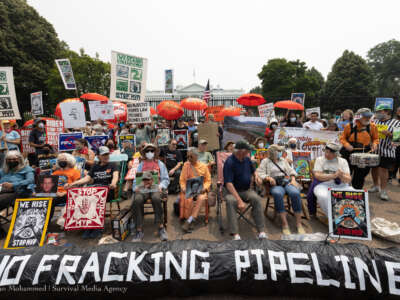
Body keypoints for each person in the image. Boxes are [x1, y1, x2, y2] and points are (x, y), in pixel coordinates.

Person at [67, 146, 119, 238]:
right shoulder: (95, 166)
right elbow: (87, 178)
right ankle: (88, 227)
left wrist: (113, 183)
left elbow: (115, 176)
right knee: (83, 199)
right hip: (95, 191)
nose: (106, 156)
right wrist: (74, 183)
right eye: (103, 155)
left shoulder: (113, 165)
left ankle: (97, 228)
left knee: (93, 199)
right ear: (98, 156)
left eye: (107, 154)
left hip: (108, 190)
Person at [223, 140, 267, 240]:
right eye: (248, 151)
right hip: (232, 191)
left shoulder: (247, 159)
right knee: (231, 201)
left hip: (246, 190)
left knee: (256, 199)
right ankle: (235, 233)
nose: (249, 152)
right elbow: (228, 184)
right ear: (241, 151)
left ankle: (261, 231)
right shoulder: (230, 162)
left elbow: (254, 170)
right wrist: (239, 201)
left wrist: (256, 176)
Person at [256, 144, 304, 235]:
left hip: (286, 181)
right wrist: (268, 178)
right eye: (278, 151)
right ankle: (284, 223)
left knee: (295, 193)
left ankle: (299, 223)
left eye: (280, 151)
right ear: (272, 152)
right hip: (274, 184)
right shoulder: (265, 161)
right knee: (277, 194)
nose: (280, 153)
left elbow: (291, 171)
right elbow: (260, 173)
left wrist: (293, 179)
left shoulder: (283, 160)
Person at [131, 143, 169, 242]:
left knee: (156, 198)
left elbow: (166, 179)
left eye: (152, 151)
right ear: (144, 153)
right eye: (147, 151)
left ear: (155, 152)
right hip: (143, 189)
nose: (150, 153)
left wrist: (161, 186)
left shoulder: (160, 164)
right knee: (137, 199)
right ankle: (139, 229)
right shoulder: (141, 165)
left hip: (156, 188)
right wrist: (135, 187)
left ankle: (161, 227)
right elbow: (135, 181)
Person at [340, 108, 379, 189]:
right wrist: (346, 145)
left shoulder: (372, 126)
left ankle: (357, 191)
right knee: (346, 173)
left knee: (360, 175)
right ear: (358, 117)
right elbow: (342, 138)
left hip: (365, 153)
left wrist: (375, 144)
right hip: (349, 152)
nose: (368, 118)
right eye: (365, 117)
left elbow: (376, 139)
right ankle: (342, 190)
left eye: (369, 116)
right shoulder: (349, 126)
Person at [0, 151, 34, 237]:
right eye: (9, 159)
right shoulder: (3, 170)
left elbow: (30, 180)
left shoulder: (27, 169)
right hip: (2, 191)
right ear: (6, 160)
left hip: (18, 191)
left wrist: (13, 184)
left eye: (14, 159)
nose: (11, 161)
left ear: (19, 159)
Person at [369, 104, 400, 200]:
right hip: (374, 150)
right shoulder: (374, 121)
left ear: (386, 112)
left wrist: (389, 134)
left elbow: (397, 141)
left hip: (387, 151)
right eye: (376, 112)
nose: (377, 113)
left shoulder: (396, 123)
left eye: (379, 111)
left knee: (383, 170)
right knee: (374, 168)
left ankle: (383, 190)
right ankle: (375, 186)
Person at [313, 143, 352, 216]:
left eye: (330, 153)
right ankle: (332, 217)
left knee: (353, 195)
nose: (327, 154)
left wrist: (341, 175)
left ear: (336, 154)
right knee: (323, 196)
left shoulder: (343, 161)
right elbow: (317, 176)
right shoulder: (320, 160)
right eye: (326, 151)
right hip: (324, 185)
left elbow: (348, 179)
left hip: (341, 185)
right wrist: (333, 176)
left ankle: (349, 216)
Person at [180, 147, 211, 232]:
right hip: (188, 190)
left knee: (201, 198)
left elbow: (208, 180)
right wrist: (183, 188)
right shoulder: (186, 165)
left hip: (201, 190)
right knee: (189, 199)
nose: (189, 159)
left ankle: (190, 220)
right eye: (188, 157)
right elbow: (182, 180)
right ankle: (191, 219)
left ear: (196, 157)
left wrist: (204, 188)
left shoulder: (203, 166)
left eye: (191, 157)